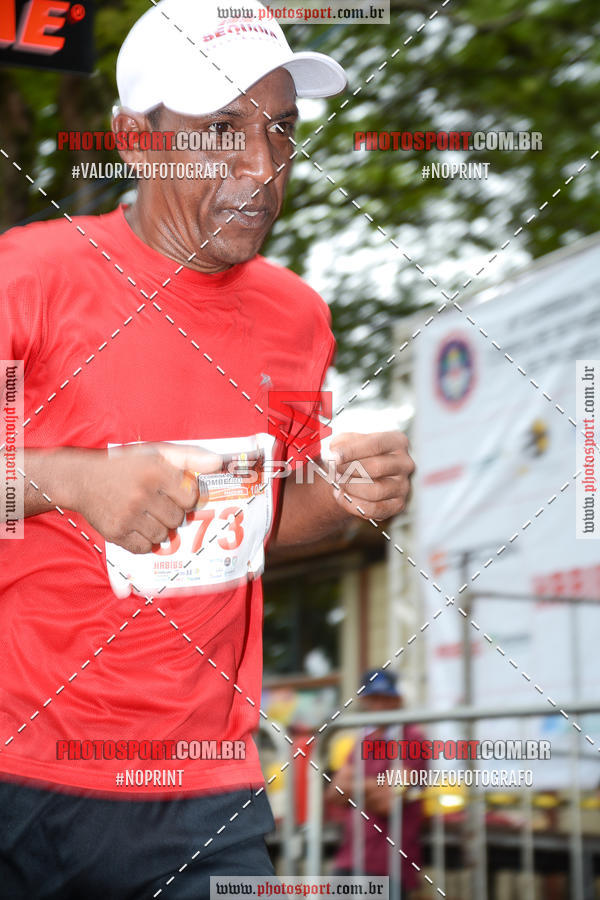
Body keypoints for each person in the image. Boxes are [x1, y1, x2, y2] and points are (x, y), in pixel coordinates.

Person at [0, 0, 415, 896]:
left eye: (281, 132)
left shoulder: (297, 318)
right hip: (19, 773)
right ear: (135, 140)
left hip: (202, 784)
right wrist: (73, 479)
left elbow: (265, 515)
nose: (262, 169)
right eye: (221, 129)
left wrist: (347, 496)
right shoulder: (28, 279)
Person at [326, 669, 427, 898]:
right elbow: (334, 793)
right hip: (351, 858)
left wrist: (354, 787)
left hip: (390, 865)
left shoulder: (413, 739)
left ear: (398, 700)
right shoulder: (363, 740)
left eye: (386, 698)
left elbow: (388, 803)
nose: (379, 706)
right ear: (365, 701)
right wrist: (375, 787)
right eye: (374, 699)